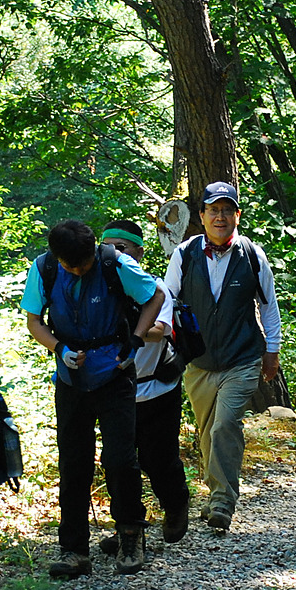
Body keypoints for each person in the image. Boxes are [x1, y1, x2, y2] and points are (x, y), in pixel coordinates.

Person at [22, 219, 164, 578]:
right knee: (73, 463)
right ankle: (73, 550)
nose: (80, 270)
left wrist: (135, 338)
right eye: (73, 266)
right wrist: (59, 348)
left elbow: (155, 296)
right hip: (71, 378)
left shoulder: (113, 263)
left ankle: (131, 535)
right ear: (59, 258)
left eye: (84, 263)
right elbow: (34, 321)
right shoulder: (45, 268)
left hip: (114, 373)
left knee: (120, 459)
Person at [163, 182, 282, 533]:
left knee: (225, 424)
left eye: (227, 210)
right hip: (198, 362)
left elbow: (268, 306)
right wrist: (167, 343)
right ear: (201, 216)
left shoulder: (252, 255)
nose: (220, 217)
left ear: (237, 216)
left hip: (242, 358)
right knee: (206, 432)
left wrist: (271, 351)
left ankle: (222, 502)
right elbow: (167, 299)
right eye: (213, 210)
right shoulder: (184, 255)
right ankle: (216, 490)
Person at [95, 220, 191, 555]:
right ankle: (129, 526)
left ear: (139, 252)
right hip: (115, 393)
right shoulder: (98, 290)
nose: (116, 253)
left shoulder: (155, 287)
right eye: (110, 247)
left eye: (123, 247)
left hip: (158, 390)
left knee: (157, 458)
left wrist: (124, 332)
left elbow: (161, 330)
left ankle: (177, 505)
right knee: (118, 461)